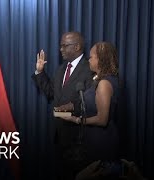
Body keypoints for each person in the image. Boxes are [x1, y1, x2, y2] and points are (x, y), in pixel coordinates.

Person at [32, 31, 93, 180]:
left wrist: (62, 112)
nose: (61, 49)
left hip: (79, 138)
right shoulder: (61, 69)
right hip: (60, 137)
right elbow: (52, 93)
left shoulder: (89, 69)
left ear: (77, 46)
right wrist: (40, 72)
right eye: (61, 46)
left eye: (64, 46)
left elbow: (88, 103)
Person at [55, 42, 120, 179]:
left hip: (101, 142)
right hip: (91, 141)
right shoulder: (99, 80)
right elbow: (86, 101)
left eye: (91, 57)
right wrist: (68, 107)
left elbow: (102, 120)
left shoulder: (104, 84)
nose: (88, 60)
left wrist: (76, 120)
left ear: (100, 60)